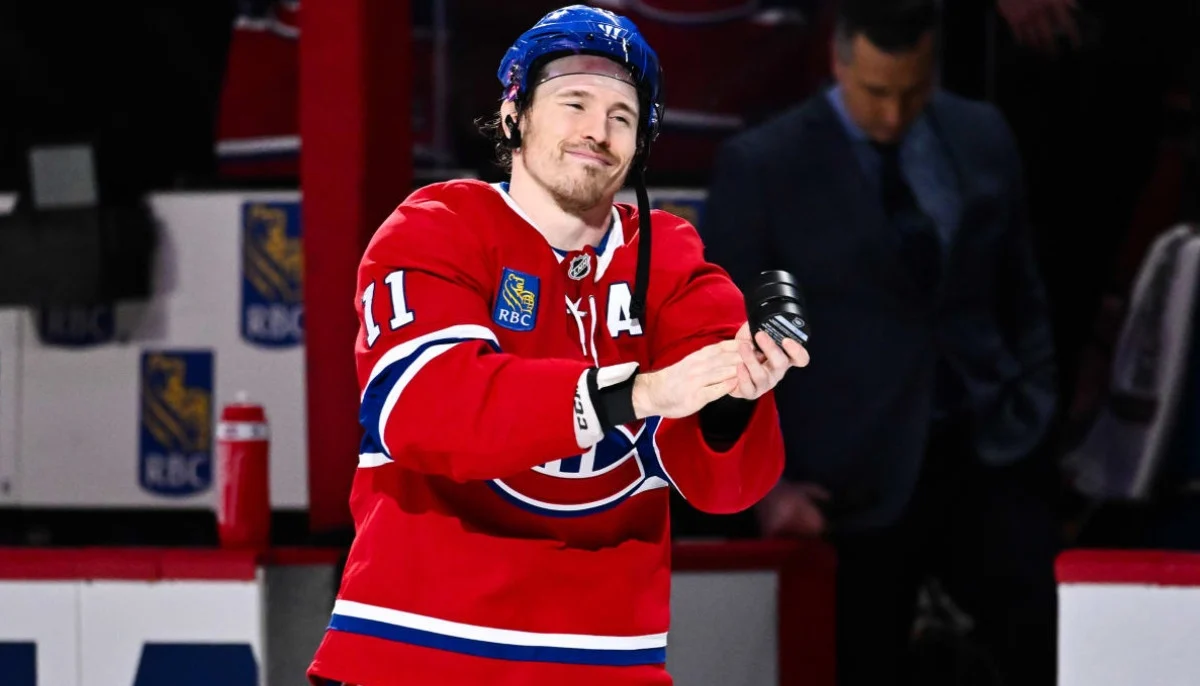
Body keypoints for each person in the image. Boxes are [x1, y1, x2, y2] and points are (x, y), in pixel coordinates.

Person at [305, 6, 809, 686]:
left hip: (604, 664)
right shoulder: (436, 230)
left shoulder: (672, 262)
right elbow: (431, 411)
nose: (597, 131)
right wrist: (638, 392)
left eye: (622, 116)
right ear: (514, 113)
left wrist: (738, 393)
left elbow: (728, 486)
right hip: (417, 654)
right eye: (575, 101)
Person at [699, 0, 1061, 685]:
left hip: (988, 452)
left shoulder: (981, 134)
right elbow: (722, 338)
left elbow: (1023, 291)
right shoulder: (765, 166)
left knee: (1046, 650)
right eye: (875, 93)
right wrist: (766, 488)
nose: (894, 115)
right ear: (838, 62)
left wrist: (1034, 407)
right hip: (847, 484)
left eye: (913, 92)